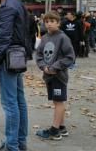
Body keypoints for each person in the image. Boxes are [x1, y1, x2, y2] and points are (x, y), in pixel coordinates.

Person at [0, 0, 31, 151]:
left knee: (10, 103)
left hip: (8, 58)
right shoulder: (19, 4)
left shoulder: (7, 7)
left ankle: (12, 145)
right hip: (17, 57)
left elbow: (3, 37)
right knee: (19, 100)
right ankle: (19, 142)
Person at [34, 12, 76, 140]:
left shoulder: (63, 38)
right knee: (56, 101)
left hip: (59, 76)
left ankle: (54, 130)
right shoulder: (45, 38)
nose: (49, 24)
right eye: (47, 21)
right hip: (48, 75)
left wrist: (54, 68)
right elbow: (39, 55)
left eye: (52, 21)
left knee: (59, 102)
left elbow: (70, 57)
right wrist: (44, 67)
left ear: (58, 23)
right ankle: (62, 127)